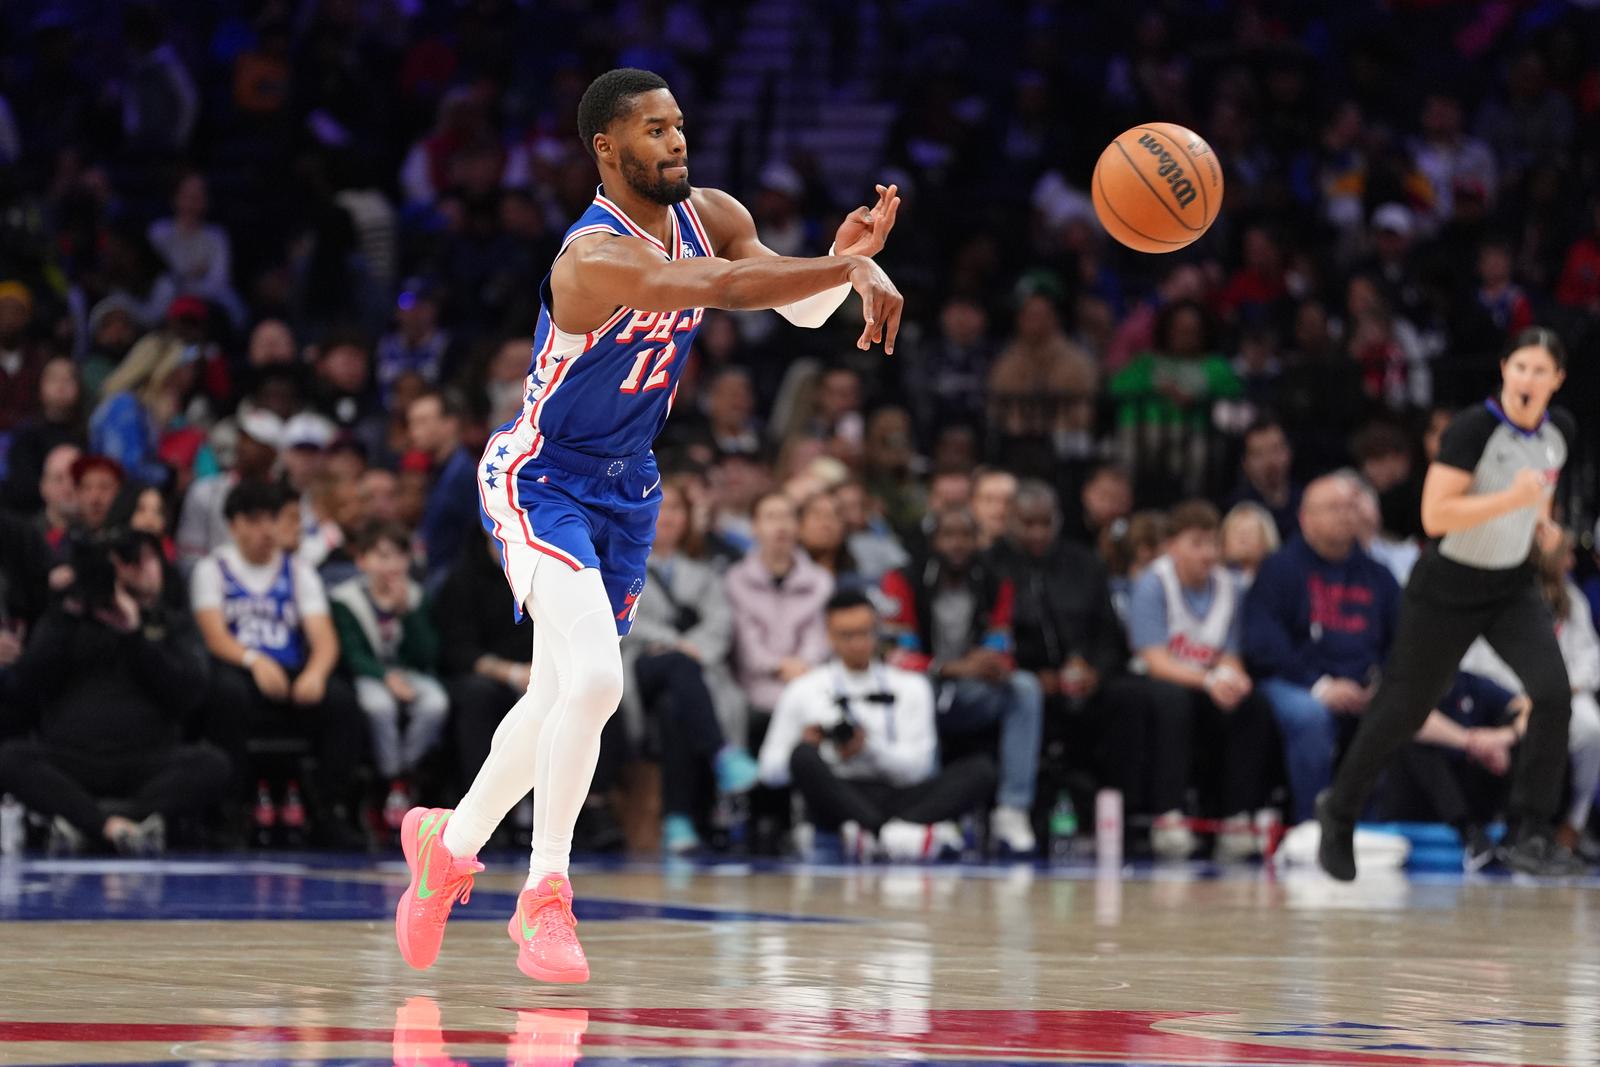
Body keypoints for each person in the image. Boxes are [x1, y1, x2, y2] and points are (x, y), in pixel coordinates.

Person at [395, 68, 903, 984]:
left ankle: (448, 841)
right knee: (595, 679)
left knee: (559, 699)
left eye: (680, 126)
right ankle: (544, 891)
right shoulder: (592, 257)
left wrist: (835, 258)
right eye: (655, 130)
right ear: (606, 146)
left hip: (627, 487)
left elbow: (792, 303)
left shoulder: (712, 206)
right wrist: (846, 266)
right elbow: (720, 286)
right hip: (540, 475)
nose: (676, 142)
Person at [1319, 327, 1584, 879]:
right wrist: (1507, 499)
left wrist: (1544, 528)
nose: (1529, 379)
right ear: (1505, 370)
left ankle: (1529, 828)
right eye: (1521, 367)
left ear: (1558, 379)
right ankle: (1339, 813)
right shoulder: (1472, 429)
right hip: (1447, 585)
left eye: (1542, 371)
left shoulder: (1559, 431)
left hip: (1510, 585)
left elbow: (1541, 498)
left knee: (1554, 694)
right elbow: (1435, 517)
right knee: (1404, 708)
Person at [0, 529, 229, 854]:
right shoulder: (66, 618)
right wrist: (71, 613)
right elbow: (25, 685)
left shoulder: (170, 623)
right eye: (125, 562)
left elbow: (189, 693)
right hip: (72, 758)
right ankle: (119, 827)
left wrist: (136, 635)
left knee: (212, 764)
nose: (137, 570)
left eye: (146, 560)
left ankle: (95, 824)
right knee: (9, 758)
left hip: (147, 760)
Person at [191, 482, 369, 844]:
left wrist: (316, 674)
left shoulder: (298, 570)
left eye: (270, 520)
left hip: (289, 673)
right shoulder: (212, 568)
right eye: (253, 521)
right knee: (226, 694)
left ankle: (327, 809)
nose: (265, 530)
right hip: (240, 667)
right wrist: (253, 660)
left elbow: (323, 636)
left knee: (342, 701)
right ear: (234, 524)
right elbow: (214, 635)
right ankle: (230, 810)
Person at [758, 590, 995, 861]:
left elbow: (919, 769)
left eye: (865, 633)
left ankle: (877, 835)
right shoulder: (804, 689)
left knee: (981, 770)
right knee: (802, 756)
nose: (858, 643)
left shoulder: (911, 686)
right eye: (847, 635)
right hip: (838, 794)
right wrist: (819, 748)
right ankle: (896, 835)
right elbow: (769, 771)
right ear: (829, 636)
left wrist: (868, 748)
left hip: (898, 793)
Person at [1117, 500, 1276, 860]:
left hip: (1204, 679)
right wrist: (1208, 681)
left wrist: (1233, 679)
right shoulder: (1153, 583)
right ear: (1172, 545)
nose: (1207, 553)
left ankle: (1238, 818)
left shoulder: (1229, 587)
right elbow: (1154, 659)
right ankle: (1168, 817)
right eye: (1196, 543)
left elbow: (1230, 653)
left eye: (1212, 544)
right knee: (1173, 701)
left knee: (1252, 704)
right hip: (1154, 681)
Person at [881, 506, 1043, 855]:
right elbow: (896, 655)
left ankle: (1012, 810)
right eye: (948, 535)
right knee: (919, 690)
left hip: (970, 691)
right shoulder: (902, 580)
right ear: (933, 540)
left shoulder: (995, 580)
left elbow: (1001, 641)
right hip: (922, 686)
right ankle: (937, 812)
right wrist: (949, 668)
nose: (957, 544)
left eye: (966, 536)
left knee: (1025, 688)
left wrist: (995, 662)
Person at [1243, 475, 1401, 823]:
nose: (1346, 515)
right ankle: (1312, 824)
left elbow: (1403, 642)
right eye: (1334, 508)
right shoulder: (1279, 569)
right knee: (1310, 717)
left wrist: (1382, 685)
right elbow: (1263, 645)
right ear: (1306, 518)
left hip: (1364, 686)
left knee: (1397, 714)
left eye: (1351, 506)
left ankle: (1371, 826)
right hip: (1294, 682)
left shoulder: (1379, 575)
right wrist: (1321, 685)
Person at [622, 483, 754, 853]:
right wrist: (670, 641)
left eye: (677, 510)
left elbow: (720, 623)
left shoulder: (705, 573)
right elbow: (618, 617)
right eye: (662, 508)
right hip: (637, 662)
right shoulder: (621, 561)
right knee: (676, 667)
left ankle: (678, 821)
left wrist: (691, 648)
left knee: (673, 706)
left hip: (690, 665)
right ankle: (721, 753)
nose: (669, 517)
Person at [330, 522, 450, 827]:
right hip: (370, 674)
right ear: (363, 560)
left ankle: (403, 774)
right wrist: (385, 678)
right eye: (382, 556)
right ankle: (387, 780)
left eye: (399, 557)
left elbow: (427, 655)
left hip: (409, 673)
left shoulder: (415, 597)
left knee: (435, 703)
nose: (391, 565)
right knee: (378, 706)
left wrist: (406, 615)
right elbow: (351, 653)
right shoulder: (345, 599)